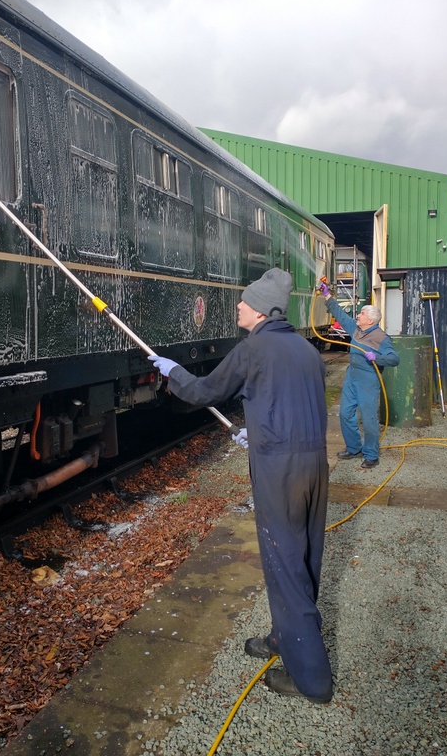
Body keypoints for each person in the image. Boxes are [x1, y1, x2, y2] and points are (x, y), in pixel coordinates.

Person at [148, 268, 333, 703]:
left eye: (244, 302)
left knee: (283, 563)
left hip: (280, 472)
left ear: (263, 310)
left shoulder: (254, 349)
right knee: (303, 556)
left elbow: (205, 392)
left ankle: (312, 680)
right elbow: (301, 406)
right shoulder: (307, 351)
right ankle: (284, 638)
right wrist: (262, 428)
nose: (237, 307)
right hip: (313, 465)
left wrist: (173, 373)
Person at [319, 281, 399, 468]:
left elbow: (394, 359)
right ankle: (354, 448)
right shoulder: (356, 330)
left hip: (368, 379)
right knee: (345, 413)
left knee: (369, 418)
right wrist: (327, 296)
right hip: (352, 376)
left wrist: (377, 357)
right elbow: (340, 314)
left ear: (370, 320)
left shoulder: (381, 338)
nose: (358, 315)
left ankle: (371, 454)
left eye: (362, 313)